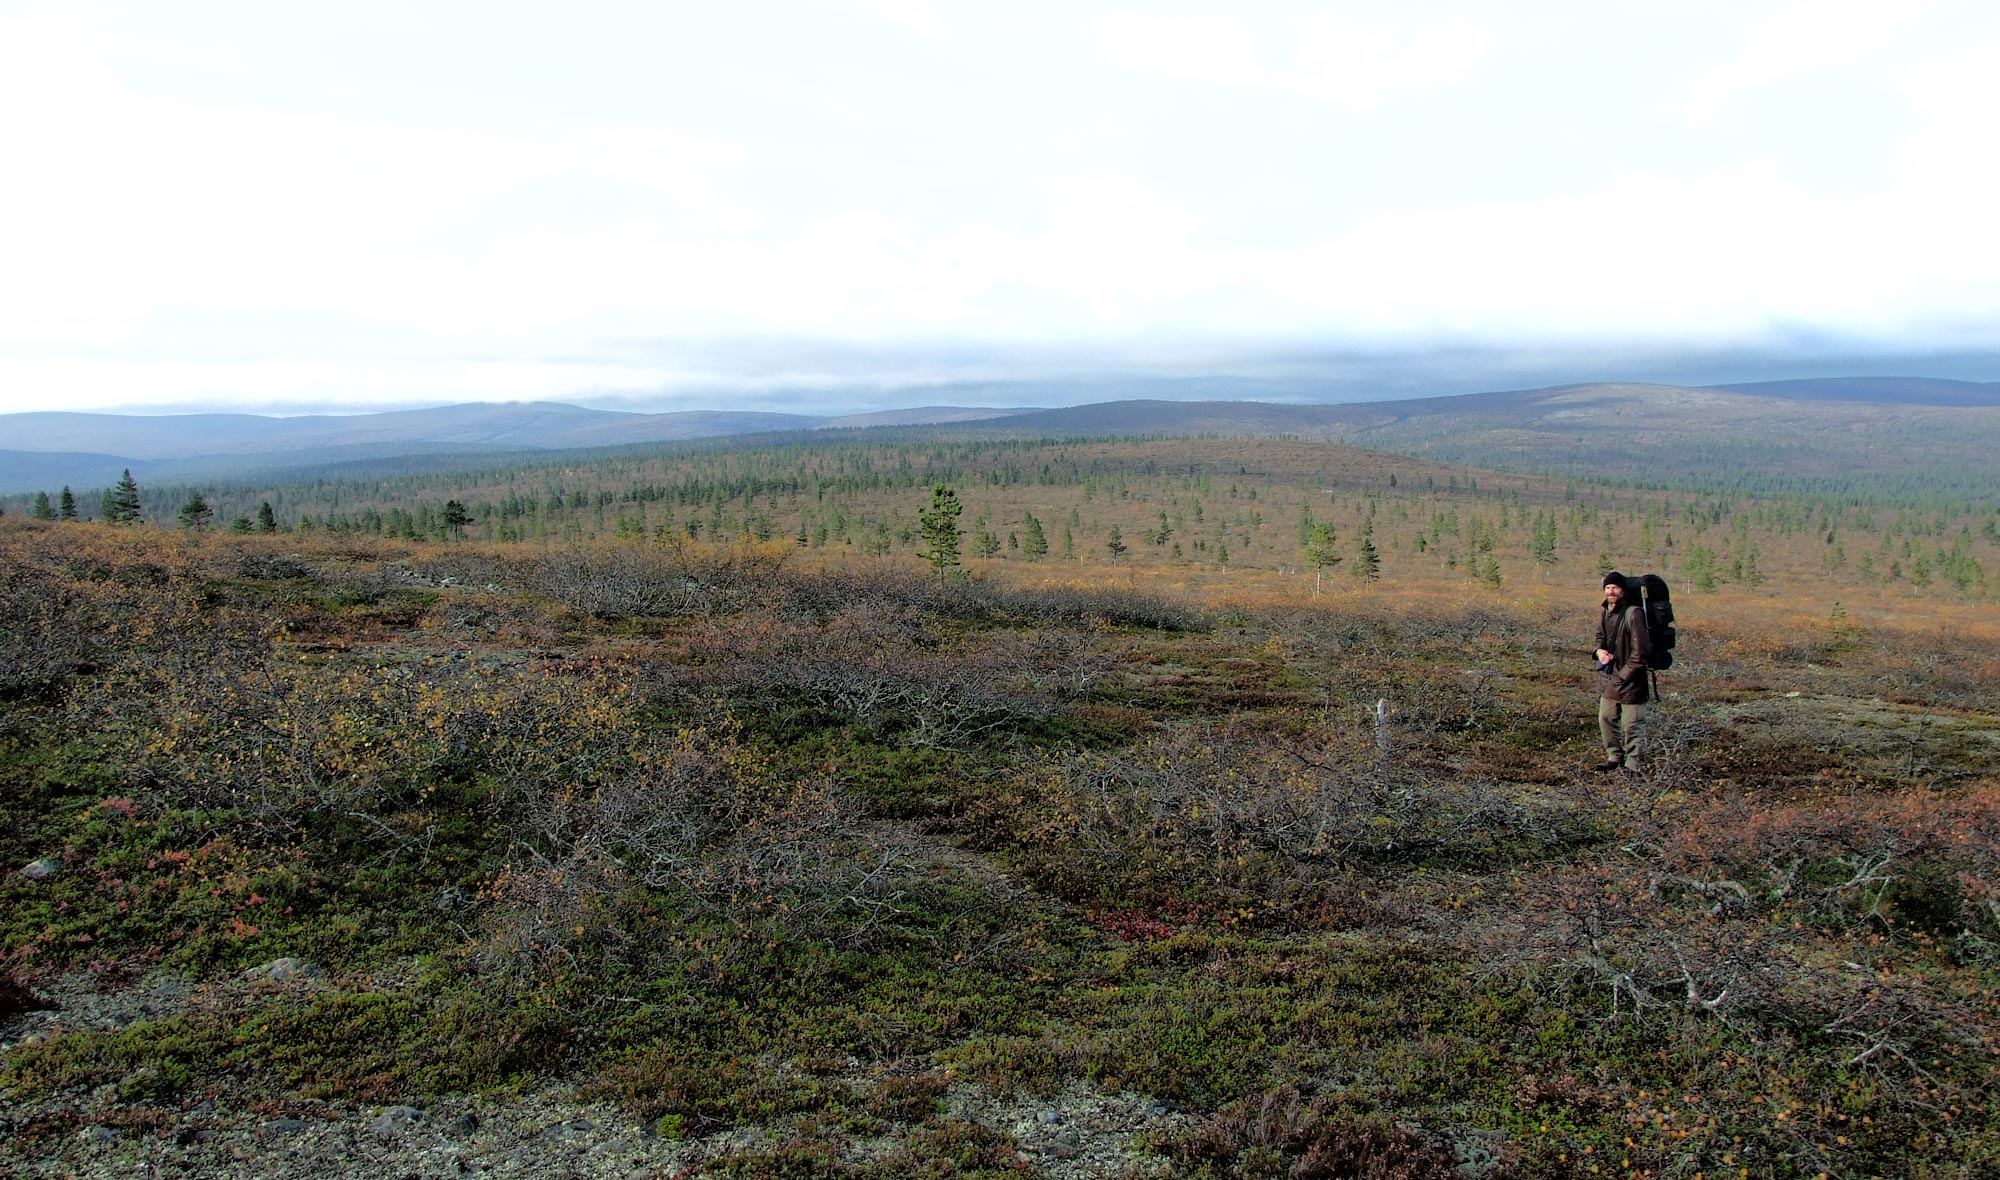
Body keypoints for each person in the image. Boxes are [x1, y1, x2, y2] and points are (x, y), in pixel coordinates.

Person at [1593, 571, 1652, 773]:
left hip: (1632, 682)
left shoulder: (1633, 613)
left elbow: (1641, 652)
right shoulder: (1605, 611)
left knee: (1631, 725)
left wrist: (1623, 675)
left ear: (1623, 590)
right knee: (1606, 718)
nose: (1610, 591)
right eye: (1608, 588)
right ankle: (1614, 757)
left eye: (1614, 588)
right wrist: (1599, 652)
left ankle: (1634, 766)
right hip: (1610, 678)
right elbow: (1600, 637)